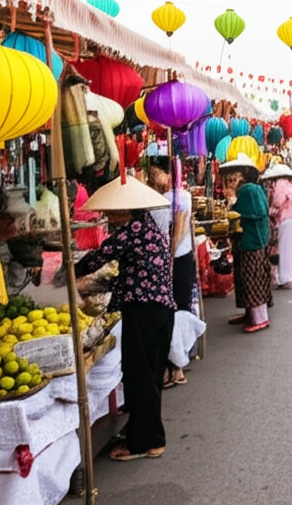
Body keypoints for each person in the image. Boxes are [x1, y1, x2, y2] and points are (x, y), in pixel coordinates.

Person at [73, 175, 176, 461]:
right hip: (159, 310)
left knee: (140, 376)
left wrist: (69, 275)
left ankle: (145, 443)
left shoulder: (132, 231)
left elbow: (98, 258)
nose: (108, 214)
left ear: (125, 210)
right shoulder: (148, 227)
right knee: (149, 376)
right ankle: (145, 434)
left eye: (112, 210)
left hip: (144, 311)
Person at [147, 155, 195, 388]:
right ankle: (167, 362)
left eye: (156, 172)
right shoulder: (150, 199)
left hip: (178, 260)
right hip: (161, 261)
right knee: (164, 312)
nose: (152, 177)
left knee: (179, 309)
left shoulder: (181, 197)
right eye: (151, 173)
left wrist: (170, 253)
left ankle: (178, 365)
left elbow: (179, 230)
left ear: (168, 173)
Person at [220, 154, 273, 333]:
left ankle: (260, 318)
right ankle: (250, 314)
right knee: (246, 279)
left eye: (235, 176)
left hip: (252, 240)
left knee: (253, 279)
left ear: (243, 173)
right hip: (249, 240)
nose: (231, 180)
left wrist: (232, 206)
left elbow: (251, 212)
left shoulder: (249, 190)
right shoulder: (251, 188)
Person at [261, 163, 292, 289]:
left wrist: (271, 206)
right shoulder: (290, 183)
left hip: (287, 217)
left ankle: (286, 278)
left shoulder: (280, 184)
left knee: (285, 248)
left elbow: (278, 201)